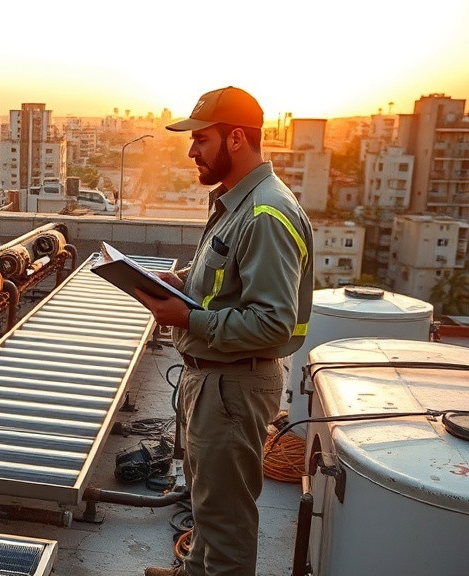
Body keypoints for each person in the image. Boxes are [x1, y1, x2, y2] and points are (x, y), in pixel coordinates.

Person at [137, 86, 314, 576]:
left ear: (236, 139)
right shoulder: (236, 205)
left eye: (201, 140)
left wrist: (186, 317)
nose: (191, 151)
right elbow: (223, 287)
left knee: (227, 519)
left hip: (233, 385)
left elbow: (273, 321)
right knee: (206, 499)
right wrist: (177, 286)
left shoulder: (265, 214)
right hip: (211, 378)